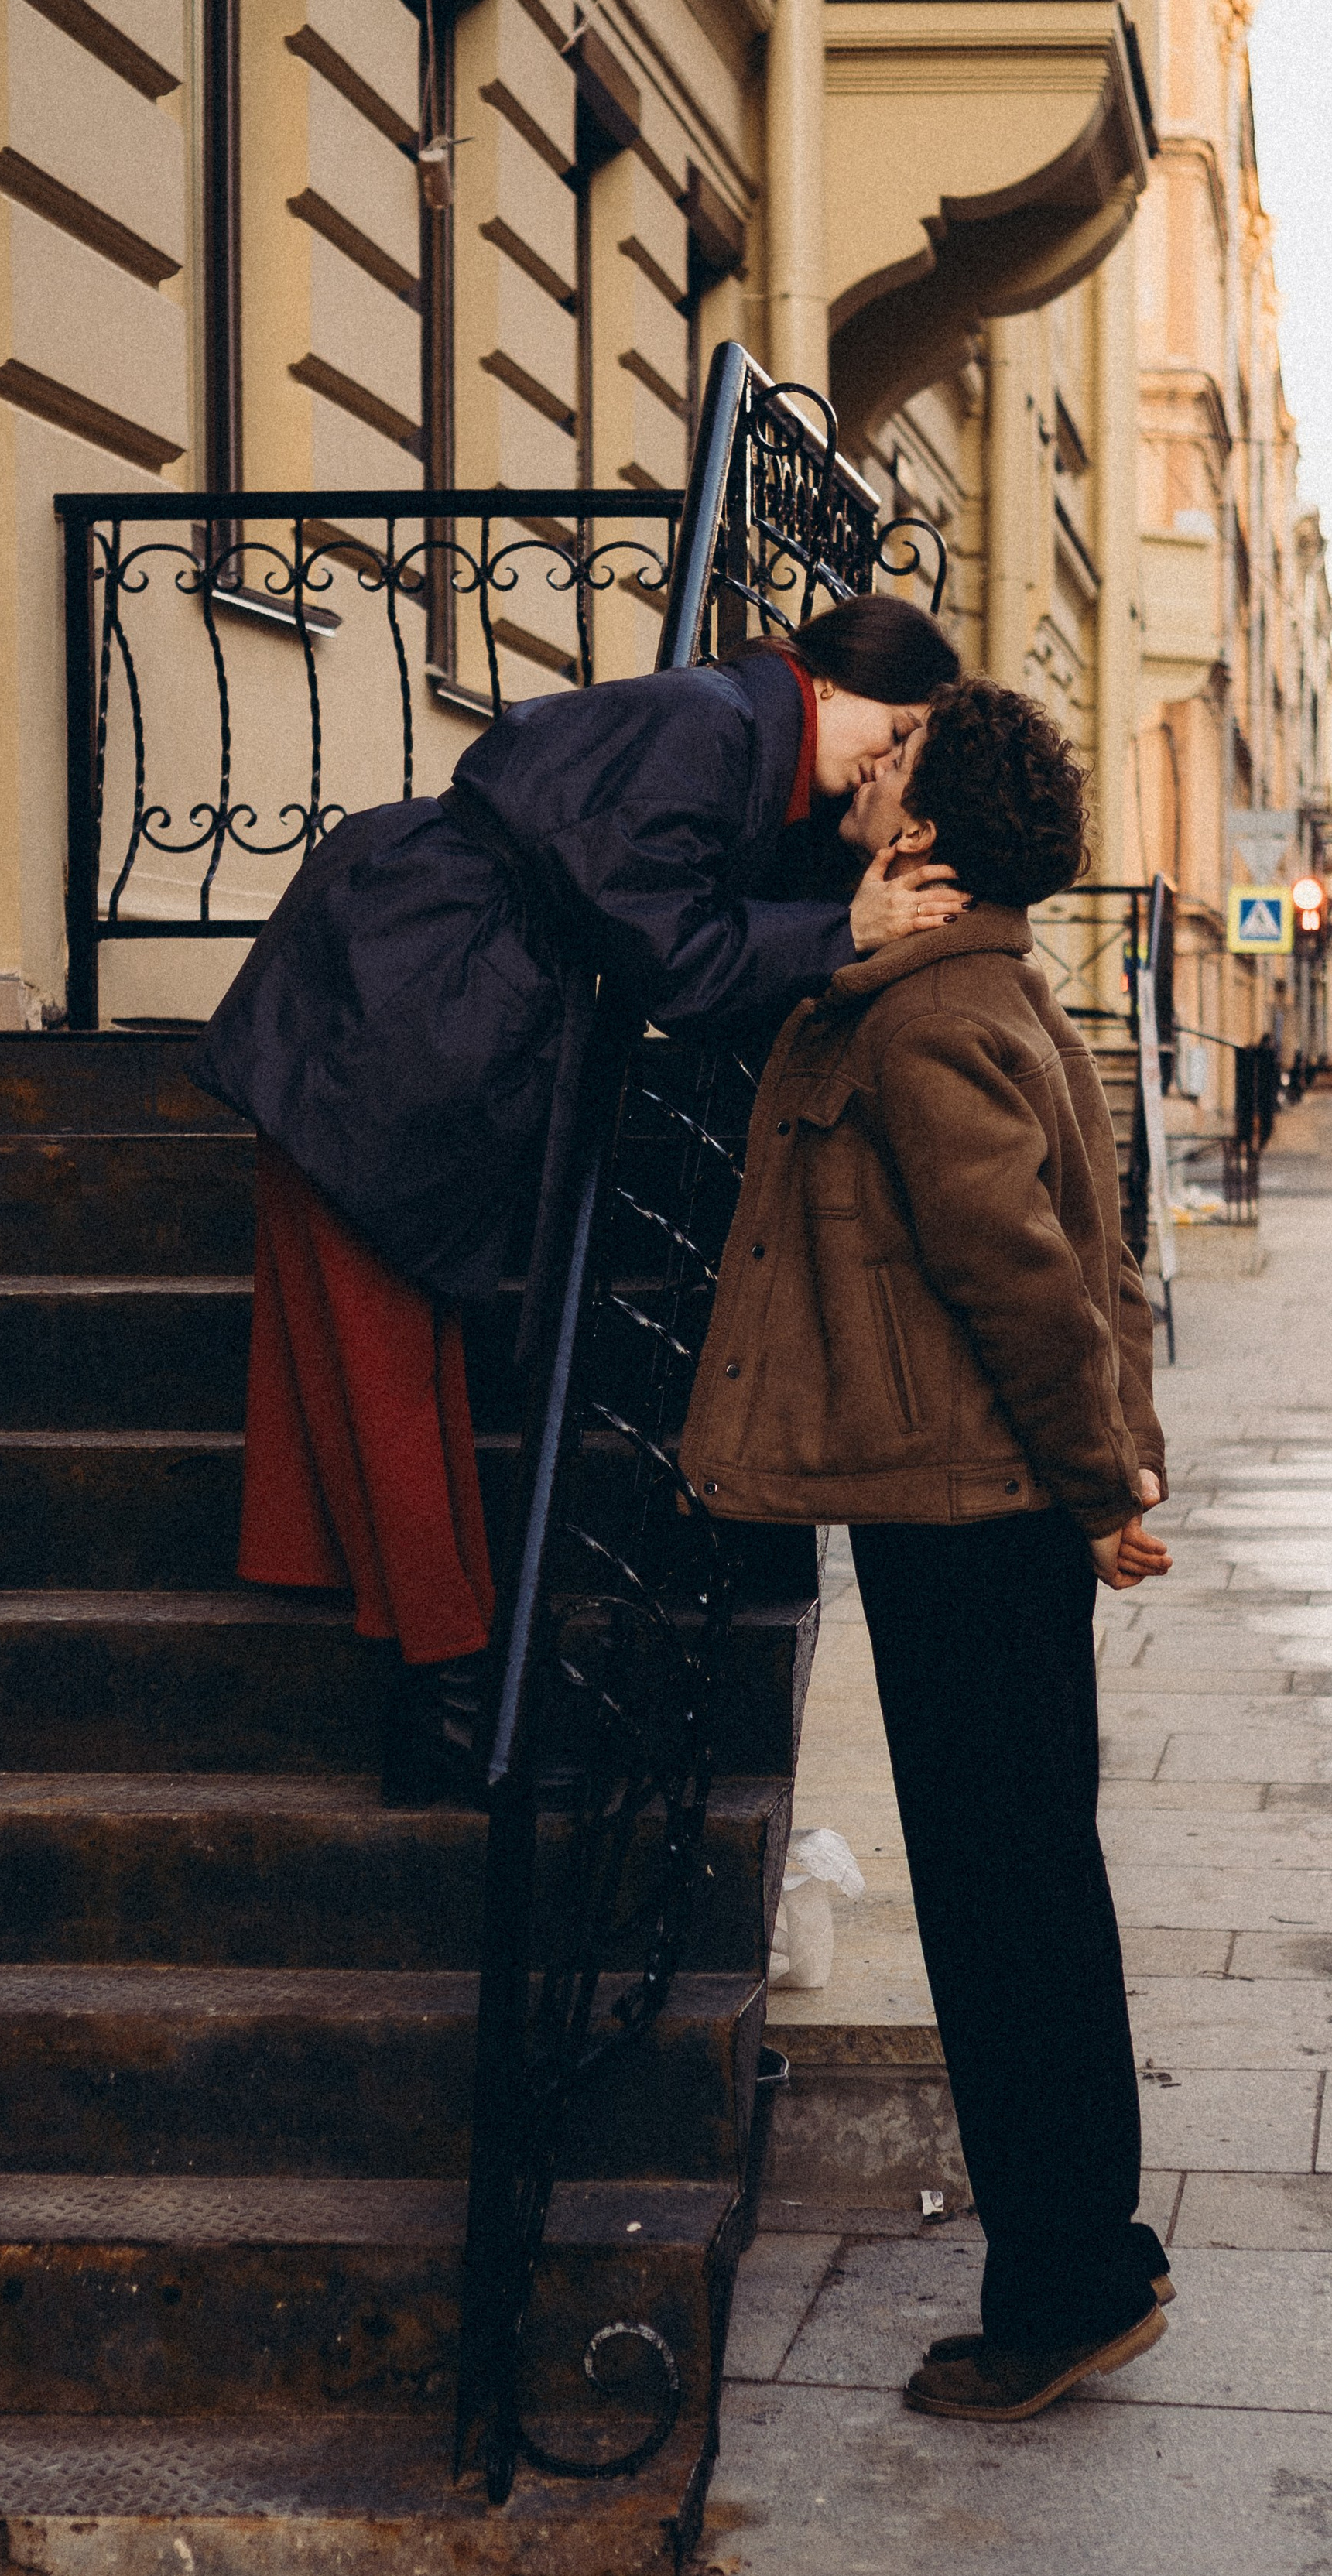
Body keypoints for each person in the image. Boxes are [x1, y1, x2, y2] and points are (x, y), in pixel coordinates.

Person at [191, 594, 964, 1799]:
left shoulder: (732, 734)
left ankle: (444, 1694)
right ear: (833, 681)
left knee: (383, 1359)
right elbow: (682, 957)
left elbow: (688, 912)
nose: (894, 756)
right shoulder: (710, 729)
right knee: (378, 1360)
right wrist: (844, 924)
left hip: (414, 981)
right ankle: (449, 1710)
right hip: (401, 991)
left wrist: (855, 870)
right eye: (901, 726)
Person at [681, 674, 1173, 2421]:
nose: (858, 779)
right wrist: (1106, 1481)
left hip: (965, 1514)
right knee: (1030, 1878)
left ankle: (1061, 2284)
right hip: (979, 1507)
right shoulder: (981, 990)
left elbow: (1030, 1281)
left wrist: (1104, 1482)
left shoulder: (921, 1021)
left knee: (1002, 1902)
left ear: (939, 827)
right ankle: (1089, 2253)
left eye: (888, 764)